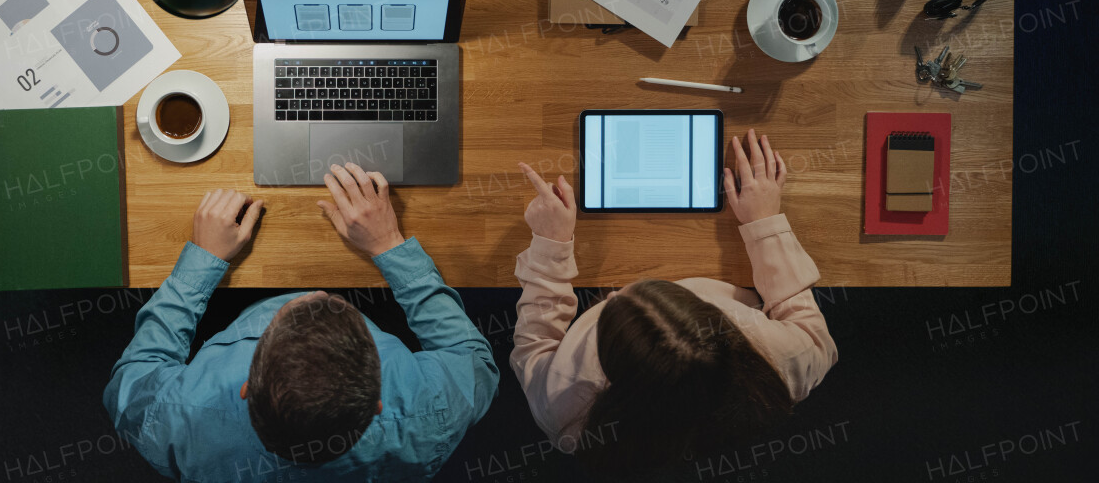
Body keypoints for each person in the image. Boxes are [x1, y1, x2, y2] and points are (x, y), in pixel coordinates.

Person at [104, 162, 498, 482]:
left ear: (246, 387)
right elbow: (474, 360)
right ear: (377, 403)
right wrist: (389, 244)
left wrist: (203, 259)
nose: (314, 295)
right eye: (338, 307)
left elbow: (130, 381)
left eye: (289, 312)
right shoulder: (433, 417)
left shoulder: (179, 418)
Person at [510, 129, 838, 477]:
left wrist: (550, 244)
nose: (616, 293)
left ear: (609, 358)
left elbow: (535, 346)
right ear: (713, 316)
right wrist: (765, 220)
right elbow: (813, 333)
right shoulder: (775, 365)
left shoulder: (564, 411)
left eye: (610, 306)